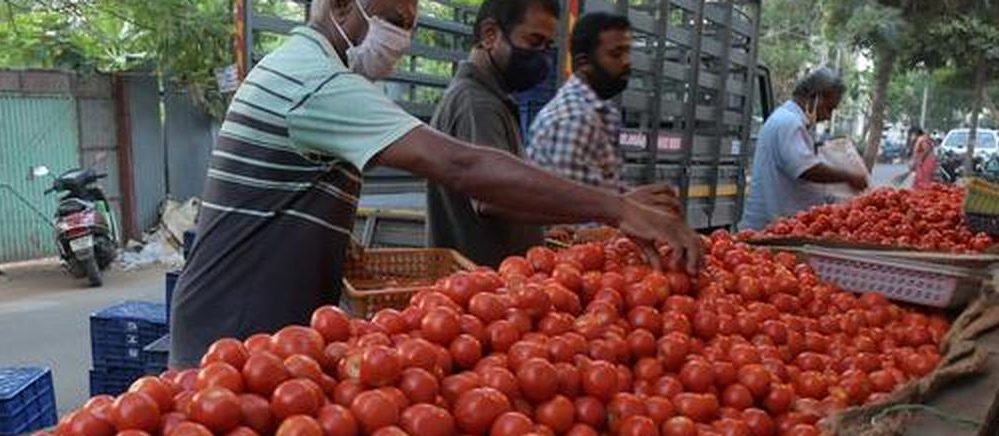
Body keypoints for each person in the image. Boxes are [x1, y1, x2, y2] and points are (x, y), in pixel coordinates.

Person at [169, 0, 701, 368]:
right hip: (231, 342)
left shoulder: (303, 69)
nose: (400, 38)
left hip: (255, 337)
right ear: (340, 5)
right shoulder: (317, 83)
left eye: (409, 23)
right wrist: (617, 210)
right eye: (393, 19)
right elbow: (462, 167)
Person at [425, 0, 561, 266]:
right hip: (481, 290)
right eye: (534, 42)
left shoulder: (491, 100)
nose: (543, 57)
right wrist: (601, 207)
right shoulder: (476, 104)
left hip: (501, 289)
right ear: (490, 34)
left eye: (547, 47)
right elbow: (495, 196)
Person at [739, 68, 868, 231]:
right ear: (815, 97)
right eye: (829, 108)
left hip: (784, 225)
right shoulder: (789, 123)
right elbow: (806, 168)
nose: (828, 116)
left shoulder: (794, 122)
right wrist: (849, 177)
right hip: (773, 226)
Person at [527, 11, 630, 192]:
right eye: (616, 54)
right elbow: (569, 211)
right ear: (583, 62)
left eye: (628, 51)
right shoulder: (574, 119)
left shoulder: (599, 112)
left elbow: (607, 194)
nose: (627, 62)